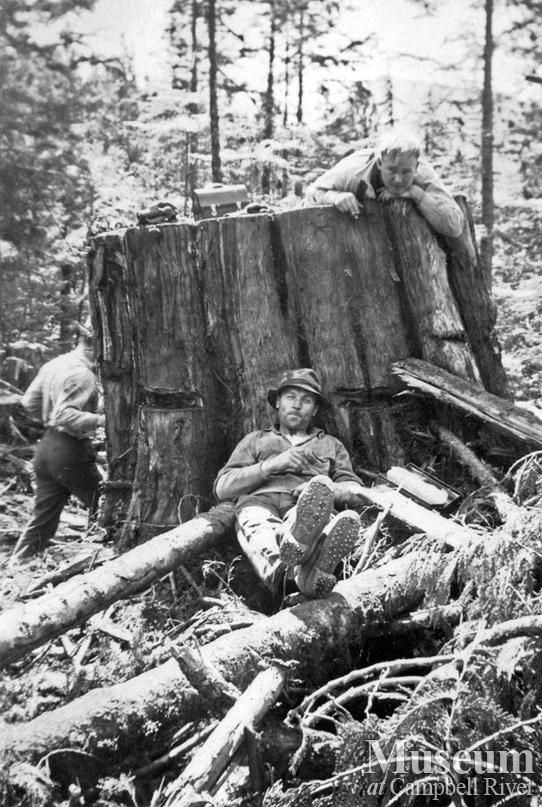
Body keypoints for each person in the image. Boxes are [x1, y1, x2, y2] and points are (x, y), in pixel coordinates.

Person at [214, 368, 365, 599]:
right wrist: (271, 466)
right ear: (277, 402)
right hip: (260, 501)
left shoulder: (331, 445)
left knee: (308, 518)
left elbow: (355, 491)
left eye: (306, 401)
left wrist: (325, 488)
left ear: (315, 410)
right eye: (290, 398)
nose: (297, 405)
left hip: (305, 506)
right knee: (258, 525)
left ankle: (300, 557)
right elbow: (223, 487)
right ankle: (295, 573)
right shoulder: (256, 440)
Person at [12, 330, 105, 559]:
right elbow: (64, 415)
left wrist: (49, 421)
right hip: (70, 449)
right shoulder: (83, 373)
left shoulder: (55, 364)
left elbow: (29, 403)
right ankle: (96, 560)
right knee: (105, 504)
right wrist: (103, 420)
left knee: (42, 518)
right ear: (98, 345)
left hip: (46, 447)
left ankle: (17, 565)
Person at [306, 128, 464, 238]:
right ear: (380, 162)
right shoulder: (353, 169)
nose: (398, 179)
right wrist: (334, 197)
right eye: (392, 170)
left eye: (406, 172)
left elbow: (455, 226)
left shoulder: (424, 175)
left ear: (416, 167)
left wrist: (418, 195)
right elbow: (312, 193)